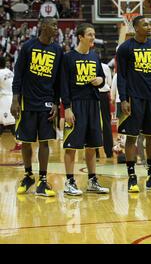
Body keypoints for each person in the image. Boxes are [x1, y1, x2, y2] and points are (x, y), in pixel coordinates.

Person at [11, 17, 62, 197]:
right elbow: (18, 73)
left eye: (57, 25)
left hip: (47, 100)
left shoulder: (57, 50)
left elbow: (59, 80)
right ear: (43, 26)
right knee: (26, 140)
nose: (57, 28)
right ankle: (28, 175)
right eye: (53, 25)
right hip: (27, 100)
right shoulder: (28, 47)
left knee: (44, 141)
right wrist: (15, 98)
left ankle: (42, 180)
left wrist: (57, 102)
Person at [117, 16, 151, 193]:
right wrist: (123, 99)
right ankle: (132, 178)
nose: (149, 26)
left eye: (149, 23)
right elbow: (121, 75)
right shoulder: (125, 48)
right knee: (131, 138)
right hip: (133, 99)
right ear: (136, 27)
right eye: (145, 24)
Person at [60, 23, 109, 196]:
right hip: (76, 104)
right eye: (89, 34)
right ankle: (69, 182)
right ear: (80, 37)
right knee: (71, 146)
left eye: (94, 35)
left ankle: (92, 181)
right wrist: (67, 108)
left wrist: (100, 80)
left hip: (93, 104)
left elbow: (102, 78)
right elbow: (63, 85)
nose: (92, 38)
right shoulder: (68, 57)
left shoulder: (95, 56)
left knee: (92, 146)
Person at [98, 60, 113, 158]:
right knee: (107, 123)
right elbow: (109, 83)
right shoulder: (106, 67)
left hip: (93, 95)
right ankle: (109, 152)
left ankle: (95, 152)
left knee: (93, 122)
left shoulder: (90, 65)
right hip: (104, 95)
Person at [0, 57, 15, 135]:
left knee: (10, 123)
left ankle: (18, 142)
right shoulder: (9, 71)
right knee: (4, 122)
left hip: (5, 100)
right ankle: (18, 142)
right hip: (12, 98)